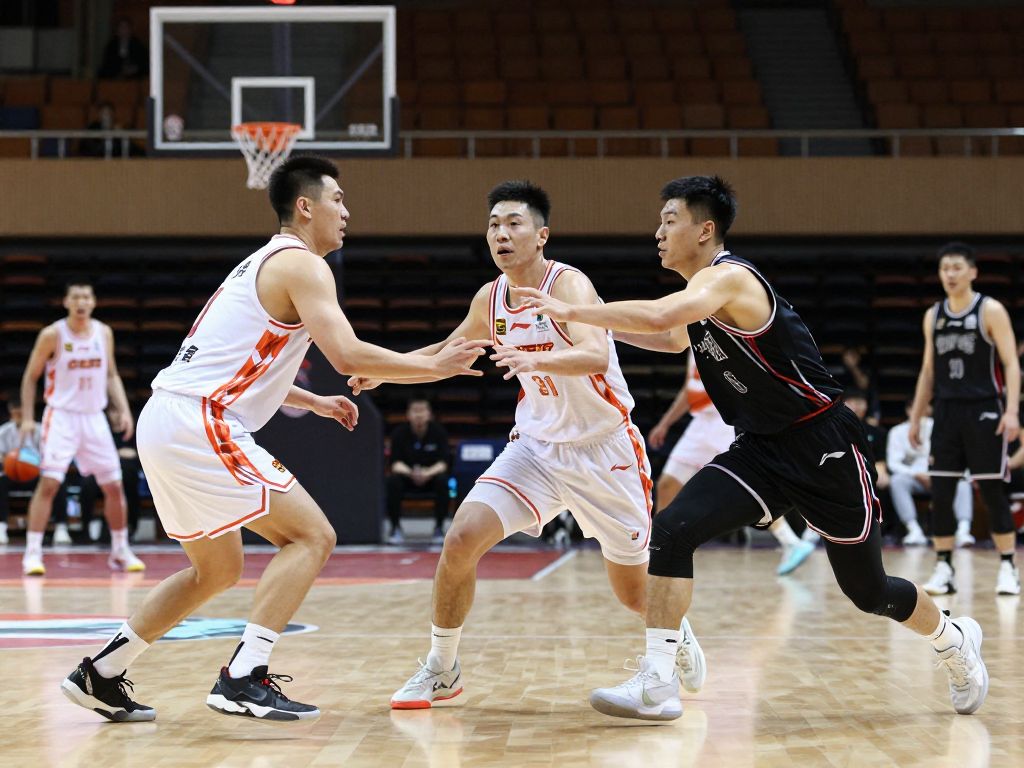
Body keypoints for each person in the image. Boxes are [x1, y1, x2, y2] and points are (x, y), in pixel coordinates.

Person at [518, 175, 988, 721]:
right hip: (761, 449)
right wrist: (588, 328)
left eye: (670, 220)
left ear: (706, 229)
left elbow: (662, 317)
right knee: (671, 530)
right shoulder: (700, 297)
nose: (658, 232)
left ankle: (953, 639)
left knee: (869, 590)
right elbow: (669, 337)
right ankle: (657, 681)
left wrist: (576, 310)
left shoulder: (730, 280)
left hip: (823, 444)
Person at [59, 156, 488, 723]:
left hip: (168, 417)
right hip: (201, 420)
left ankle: (102, 672)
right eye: (338, 199)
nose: (347, 211)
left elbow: (244, 360)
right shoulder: (304, 266)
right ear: (306, 206)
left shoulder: (258, 263)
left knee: (216, 571)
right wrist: (437, 369)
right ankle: (242, 675)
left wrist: (310, 400)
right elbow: (349, 355)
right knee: (312, 536)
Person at [349, 180, 706, 709]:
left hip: (604, 450)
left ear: (541, 235)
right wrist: (388, 373)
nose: (501, 233)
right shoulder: (490, 298)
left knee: (634, 593)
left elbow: (592, 355)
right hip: (536, 450)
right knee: (461, 538)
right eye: (494, 224)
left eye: (513, 223)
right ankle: (442, 668)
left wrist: (536, 360)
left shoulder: (570, 286)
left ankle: (673, 632)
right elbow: (448, 351)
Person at [909, 242, 1020, 597]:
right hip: (945, 412)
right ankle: (944, 566)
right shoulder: (934, 315)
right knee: (941, 492)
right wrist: (915, 417)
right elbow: (928, 370)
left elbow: (1012, 364)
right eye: (945, 269)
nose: (950, 274)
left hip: (984, 409)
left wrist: (1013, 411)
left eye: (957, 267)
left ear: (973, 272)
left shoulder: (990, 310)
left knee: (992, 491)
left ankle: (1008, 567)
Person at [649, 350, 814, 575]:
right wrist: (666, 423)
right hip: (700, 422)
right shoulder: (689, 338)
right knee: (667, 483)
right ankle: (655, 549)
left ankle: (791, 542)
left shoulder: (714, 334)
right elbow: (690, 390)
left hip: (723, 420)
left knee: (749, 485)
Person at [19, 280, 144, 576]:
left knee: (114, 486)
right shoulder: (52, 334)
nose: (81, 302)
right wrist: (27, 417)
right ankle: (32, 553)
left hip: (94, 417)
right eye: (75, 297)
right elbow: (29, 377)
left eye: (86, 297)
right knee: (49, 483)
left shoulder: (104, 332)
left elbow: (112, 374)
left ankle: (120, 549)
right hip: (61, 416)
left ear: (93, 302)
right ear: (66, 302)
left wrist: (124, 409)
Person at [887, 400, 973, 547]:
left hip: (941, 475)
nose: (921, 410)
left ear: (930, 409)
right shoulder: (897, 431)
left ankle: (963, 531)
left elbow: (955, 456)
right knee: (896, 481)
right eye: (916, 407)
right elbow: (893, 463)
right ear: (908, 410)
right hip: (913, 478)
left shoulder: (942, 428)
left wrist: (935, 474)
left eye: (925, 406)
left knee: (963, 481)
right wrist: (916, 474)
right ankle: (914, 530)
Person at [0, 399, 69, 546]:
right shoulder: (4, 431)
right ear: (10, 412)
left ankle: (61, 528)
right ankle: (1, 527)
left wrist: (28, 461)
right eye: (15, 410)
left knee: (57, 480)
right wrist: (10, 460)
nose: (18, 414)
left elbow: (48, 455)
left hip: (36, 473)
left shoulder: (41, 429)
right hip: (12, 474)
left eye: (21, 411)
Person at [386, 398, 452, 545]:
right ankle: (395, 528)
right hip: (408, 478)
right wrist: (411, 473)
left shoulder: (438, 432)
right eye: (415, 411)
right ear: (408, 414)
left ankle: (439, 528)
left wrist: (427, 473)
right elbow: (395, 464)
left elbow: (443, 463)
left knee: (443, 481)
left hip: (431, 478)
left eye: (422, 410)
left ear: (429, 414)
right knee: (392, 482)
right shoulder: (399, 433)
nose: (419, 415)